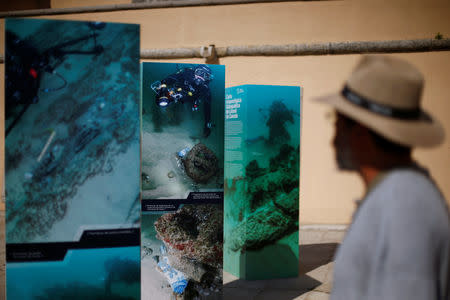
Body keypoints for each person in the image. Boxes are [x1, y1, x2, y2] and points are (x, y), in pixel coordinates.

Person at [314, 55, 449, 300]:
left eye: (338, 123)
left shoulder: (405, 209)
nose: (333, 138)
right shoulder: (398, 194)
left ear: (361, 133)